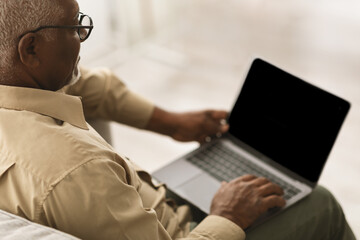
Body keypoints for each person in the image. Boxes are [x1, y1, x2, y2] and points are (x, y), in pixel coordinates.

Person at [0, 0, 355, 239]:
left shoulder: (17, 80)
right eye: (75, 28)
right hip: (184, 231)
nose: (82, 37)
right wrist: (228, 215)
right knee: (320, 201)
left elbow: (88, 83)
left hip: (155, 203)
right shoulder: (77, 170)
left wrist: (173, 123)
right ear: (30, 49)